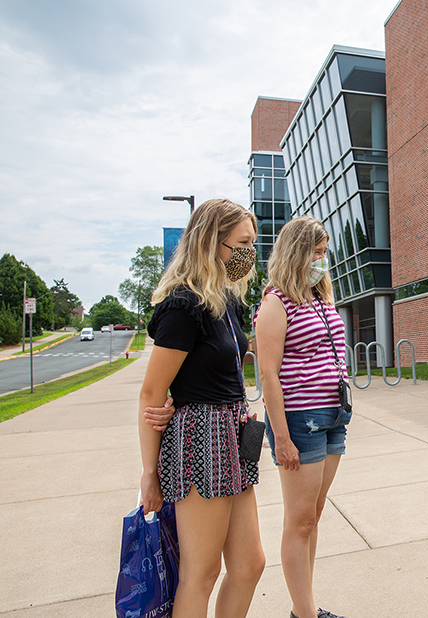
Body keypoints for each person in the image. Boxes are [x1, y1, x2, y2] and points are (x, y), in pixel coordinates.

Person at [138, 198, 266, 618]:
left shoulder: (227, 301)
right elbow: (151, 392)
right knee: (202, 572)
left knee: (249, 565)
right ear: (212, 242)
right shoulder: (183, 305)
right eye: (242, 243)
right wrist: (150, 473)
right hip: (200, 440)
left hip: (233, 433)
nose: (250, 252)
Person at [253, 216, 352, 618]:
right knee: (300, 521)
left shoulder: (320, 297)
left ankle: (304, 607)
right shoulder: (276, 301)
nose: (322, 260)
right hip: (301, 420)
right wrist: (281, 437)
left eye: (325, 253)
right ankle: (305, 614)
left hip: (333, 416)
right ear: (297, 252)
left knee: (313, 516)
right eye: (317, 252)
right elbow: (268, 373)